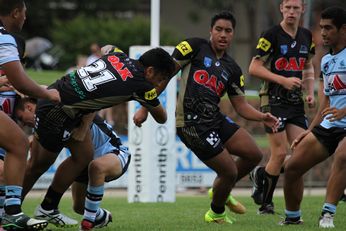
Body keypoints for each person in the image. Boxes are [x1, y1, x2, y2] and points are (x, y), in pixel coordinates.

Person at [134, 11, 279, 224]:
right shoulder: (194, 47)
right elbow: (163, 77)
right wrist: (145, 107)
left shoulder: (233, 68)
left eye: (228, 31)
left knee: (253, 154)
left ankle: (222, 188)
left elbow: (241, 106)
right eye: (218, 29)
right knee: (228, 171)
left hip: (215, 119)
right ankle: (216, 213)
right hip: (191, 123)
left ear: (233, 34)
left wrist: (262, 116)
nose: (223, 34)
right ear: (210, 31)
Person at [21, 46, 175, 229]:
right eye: (161, 79)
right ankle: (9, 211)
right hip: (58, 112)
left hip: (56, 96)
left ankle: (48, 206)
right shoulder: (143, 86)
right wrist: (149, 102)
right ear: (149, 71)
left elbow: (106, 47)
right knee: (37, 166)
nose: (159, 84)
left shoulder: (118, 54)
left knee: (84, 156)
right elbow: (162, 117)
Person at [13, 97, 131, 230]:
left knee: (96, 167)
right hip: (85, 164)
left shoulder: (61, 109)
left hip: (114, 152)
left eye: (21, 118)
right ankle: (100, 215)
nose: (23, 124)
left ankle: (86, 223)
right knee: (79, 207)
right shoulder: (46, 121)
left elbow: (93, 100)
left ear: (29, 107)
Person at [248, 0, 315, 214]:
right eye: (288, 7)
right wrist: (282, 80)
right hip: (273, 100)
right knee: (279, 153)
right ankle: (266, 205)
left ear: (302, 9)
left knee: (304, 152)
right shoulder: (271, 35)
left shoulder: (306, 36)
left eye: (296, 8)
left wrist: (310, 91)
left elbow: (308, 65)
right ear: (281, 8)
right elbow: (254, 67)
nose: (292, 12)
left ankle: (261, 175)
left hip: (295, 103)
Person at [282, 6, 346, 227]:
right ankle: (292, 217)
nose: (323, 33)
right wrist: (309, 130)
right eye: (321, 28)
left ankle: (327, 214)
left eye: (328, 28)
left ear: (343, 29)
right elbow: (326, 102)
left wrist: (344, 111)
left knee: (342, 155)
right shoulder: (327, 61)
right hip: (330, 124)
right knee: (292, 167)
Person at [0, 0, 60, 230]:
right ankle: (12, 213)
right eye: (24, 13)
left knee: (16, 144)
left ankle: (11, 213)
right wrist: (48, 94)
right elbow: (20, 81)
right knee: (18, 145)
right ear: (15, 13)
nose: (25, 18)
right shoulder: (4, 37)